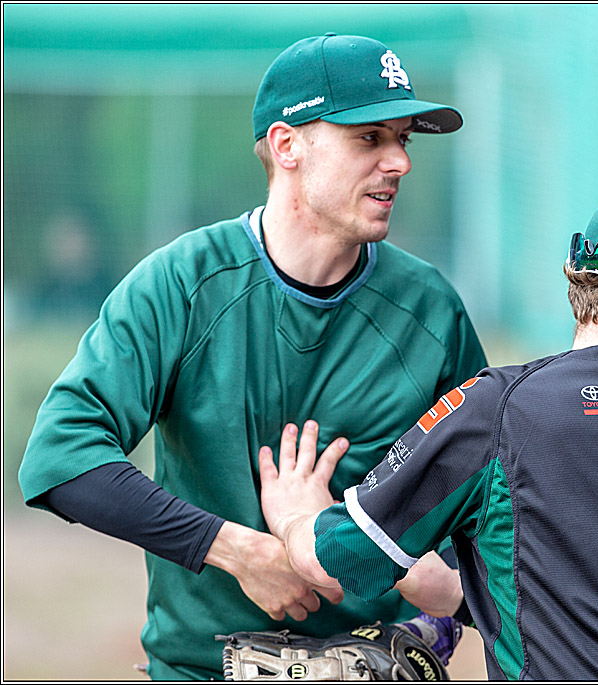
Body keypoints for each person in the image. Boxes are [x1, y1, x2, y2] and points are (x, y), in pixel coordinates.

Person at [18, 34, 487, 680]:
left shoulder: (431, 311)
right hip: (202, 669)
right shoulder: (184, 285)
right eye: (369, 138)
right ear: (288, 145)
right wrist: (235, 549)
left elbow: (494, 519)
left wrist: (435, 618)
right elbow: (58, 458)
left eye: (403, 139)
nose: (399, 162)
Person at [259, 181, 598, 680]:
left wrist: (294, 518)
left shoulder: (500, 408)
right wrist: (464, 595)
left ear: (583, 287)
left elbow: (343, 560)